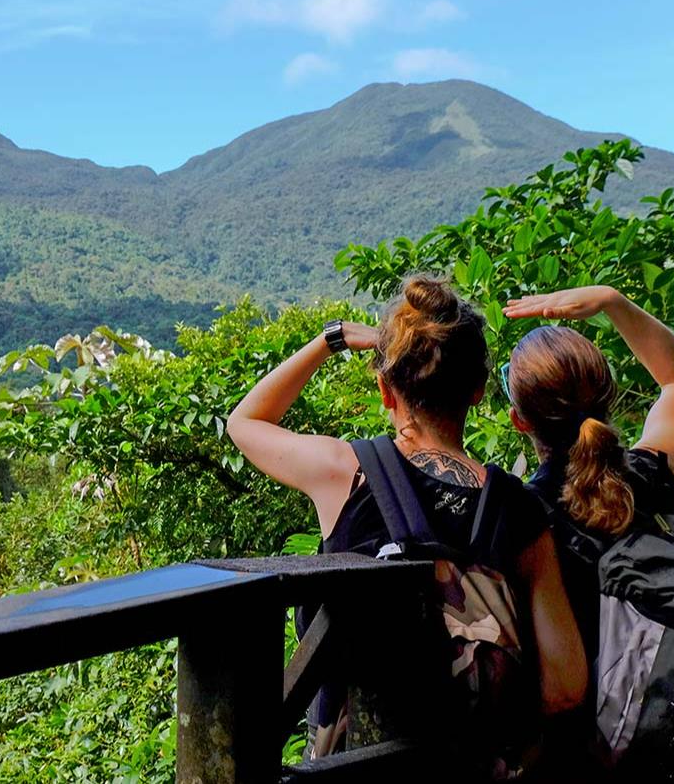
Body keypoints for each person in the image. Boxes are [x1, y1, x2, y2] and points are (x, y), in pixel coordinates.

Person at [226, 274, 586, 765]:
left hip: (356, 767)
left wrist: (329, 340)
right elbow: (566, 686)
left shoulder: (344, 474)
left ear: (385, 390)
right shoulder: (520, 508)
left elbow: (244, 423)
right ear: (479, 391)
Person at [501, 284, 674, 777]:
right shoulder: (652, 478)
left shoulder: (522, 515)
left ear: (519, 422)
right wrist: (614, 302)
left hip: (573, 754)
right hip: (661, 728)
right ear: (606, 397)